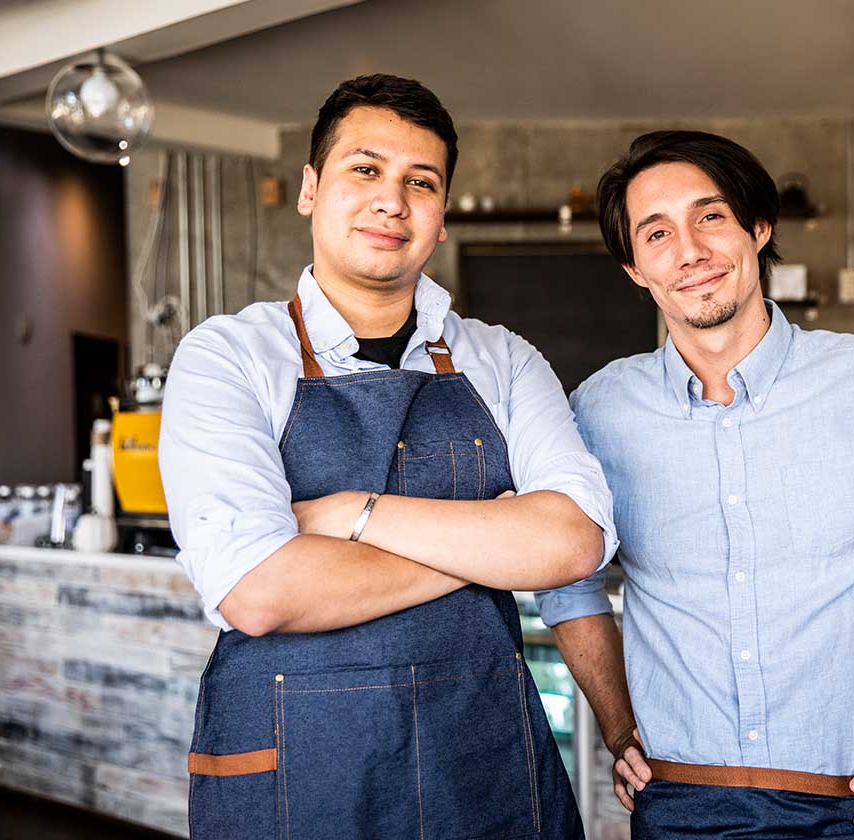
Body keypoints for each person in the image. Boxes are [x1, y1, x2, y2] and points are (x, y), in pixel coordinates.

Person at [536, 130, 854, 840]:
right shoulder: (598, 411)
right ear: (635, 268)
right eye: (656, 232)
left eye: (710, 216)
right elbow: (565, 575)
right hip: (680, 808)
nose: (689, 250)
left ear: (759, 227)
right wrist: (617, 721)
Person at [159, 74, 616, 839]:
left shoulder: (503, 360)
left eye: (421, 182)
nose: (390, 200)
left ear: (440, 219)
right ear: (310, 189)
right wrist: (496, 543)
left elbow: (573, 543)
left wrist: (350, 517)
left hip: (482, 765)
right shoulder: (227, 356)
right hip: (298, 777)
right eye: (364, 170)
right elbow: (259, 592)